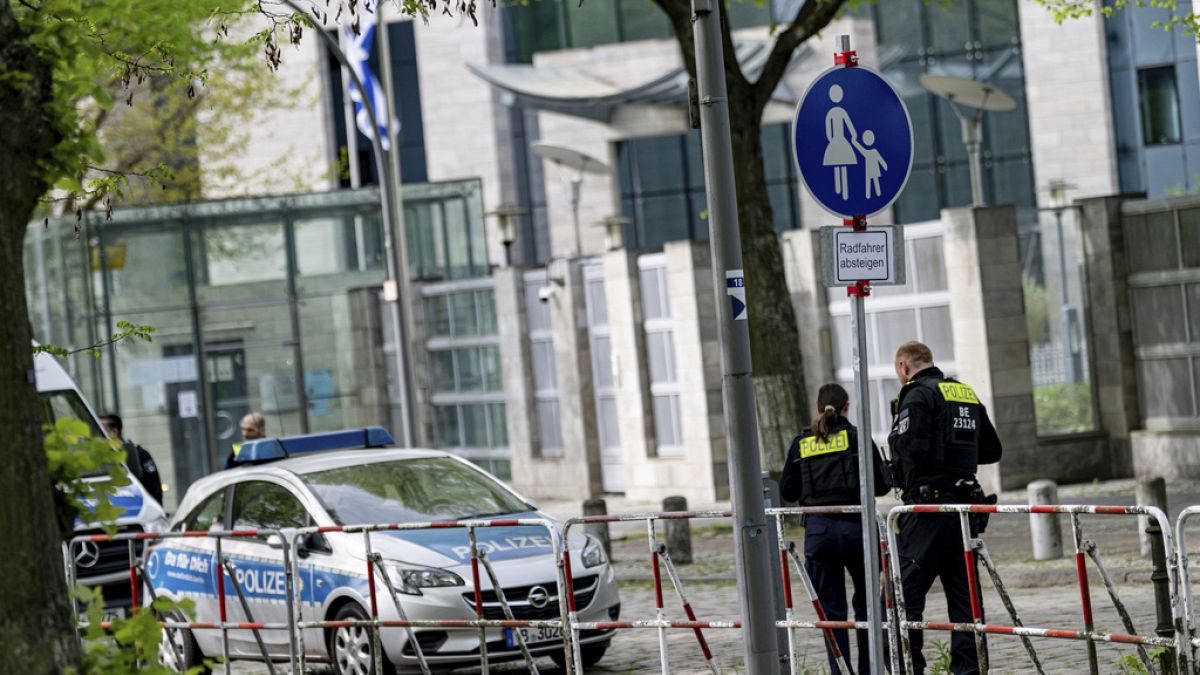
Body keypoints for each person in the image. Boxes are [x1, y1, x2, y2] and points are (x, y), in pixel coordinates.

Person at [888, 341, 1002, 675]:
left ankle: (910, 668)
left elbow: (914, 447)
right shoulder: (963, 392)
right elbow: (992, 449)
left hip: (928, 511)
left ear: (903, 367)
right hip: (966, 509)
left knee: (902, 596)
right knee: (965, 600)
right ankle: (968, 671)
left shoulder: (916, 395)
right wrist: (956, 457)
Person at [780, 383, 890, 675]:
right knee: (868, 609)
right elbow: (880, 485)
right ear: (846, 407)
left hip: (818, 535)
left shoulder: (801, 442)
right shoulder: (856, 438)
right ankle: (871, 671)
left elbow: (788, 491)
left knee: (831, 613)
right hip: (857, 533)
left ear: (818, 409)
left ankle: (840, 672)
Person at [100, 413, 164, 505]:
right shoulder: (99, 457)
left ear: (114, 432)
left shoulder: (139, 455)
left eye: (101, 431)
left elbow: (153, 487)